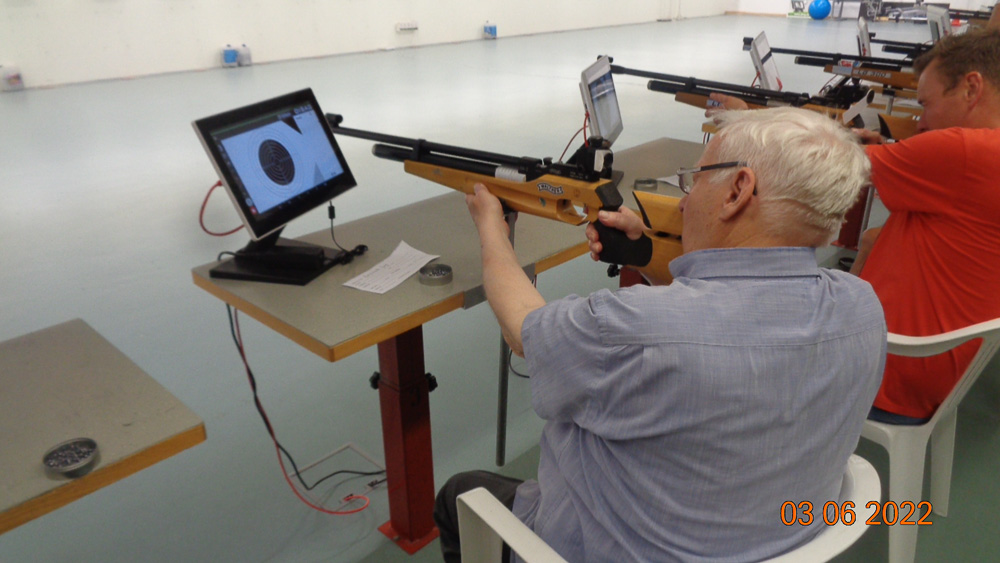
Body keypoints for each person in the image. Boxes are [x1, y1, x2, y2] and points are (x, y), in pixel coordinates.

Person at [434, 107, 886, 562]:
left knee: (460, 493)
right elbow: (735, 304)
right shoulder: (864, 307)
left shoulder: (630, 327)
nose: (685, 202)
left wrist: (491, 226)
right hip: (768, 539)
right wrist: (645, 250)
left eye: (696, 181)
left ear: (738, 190)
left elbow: (523, 329)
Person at [702, 29, 1000, 424]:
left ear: (971, 88)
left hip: (887, 366)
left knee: (735, 332)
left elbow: (812, 157)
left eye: (926, 105)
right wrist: (886, 150)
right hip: (941, 363)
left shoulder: (964, 151)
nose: (922, 122)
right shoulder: (982, 153)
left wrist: (743, 117)